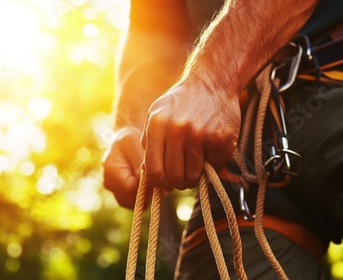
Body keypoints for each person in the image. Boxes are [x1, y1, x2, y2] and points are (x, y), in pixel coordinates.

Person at [102, 0, 343, 278]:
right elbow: (154, 27)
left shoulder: (214, 82)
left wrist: (213, 81)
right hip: (242, 146)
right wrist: (134, 123)